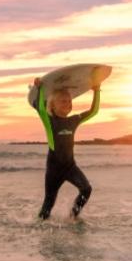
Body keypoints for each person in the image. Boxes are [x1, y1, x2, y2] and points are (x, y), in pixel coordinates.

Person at [30, 78, 100, 220]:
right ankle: (39, 230)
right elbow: (40, 108)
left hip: (70, 167)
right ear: (53, 105)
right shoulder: (49, 121)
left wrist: (97, 90)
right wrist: (40, 88)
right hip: (54, 170)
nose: (68, 104)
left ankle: (73, 217)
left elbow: (94, 111)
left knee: (86, 189)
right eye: (63, 101)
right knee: (48, 204)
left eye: (69, 101)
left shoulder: (74, 120)